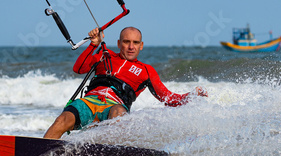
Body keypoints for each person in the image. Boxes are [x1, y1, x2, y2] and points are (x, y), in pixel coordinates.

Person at [44, 26, 208, 139]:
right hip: (89, 102)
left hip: (114, 106)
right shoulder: (104, 56)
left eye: (135, 43)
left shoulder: (146, 70)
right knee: (62, 119)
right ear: (118, 43)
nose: (131, 47)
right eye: (126, 42)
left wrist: (191, 96)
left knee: (117, 113)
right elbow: (79, 68)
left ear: (141, 46)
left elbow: (168, 98)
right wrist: (92, 46)